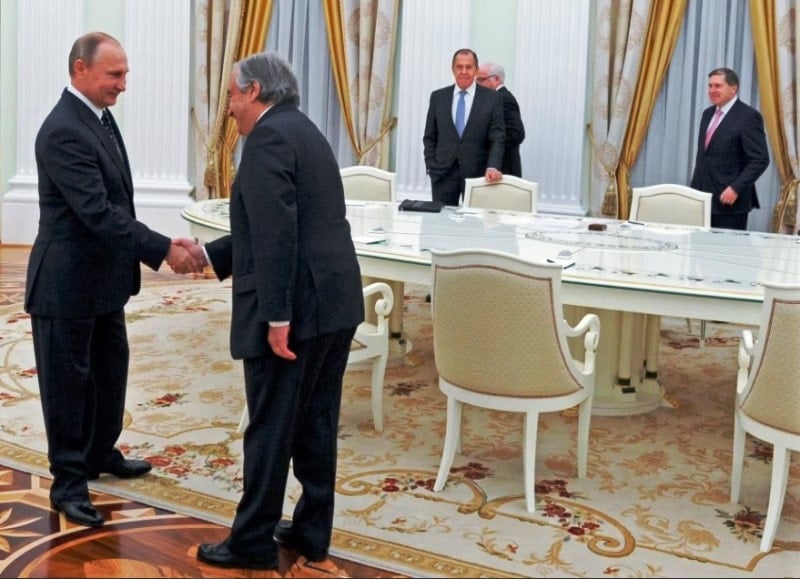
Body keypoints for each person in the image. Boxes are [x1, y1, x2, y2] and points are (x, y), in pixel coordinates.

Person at [178, 51, 364, 578]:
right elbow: (272, 225)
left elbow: (278, 236)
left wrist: (277, 317)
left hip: (296, 310)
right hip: (334, 303)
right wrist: (208, 255)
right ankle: (310, 532)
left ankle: (252, 541)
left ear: (254, 91)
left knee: (271, 427)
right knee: (315, 422)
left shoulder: (265, 140)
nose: (229, 107)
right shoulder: (304, 130)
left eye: (232, 96)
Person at [25, 31, 200, 528]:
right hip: (65, 285)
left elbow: (116, 203)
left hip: (103, 280)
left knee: (109, 374)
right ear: (80, 69)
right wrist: (163, 248)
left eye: (125, 74)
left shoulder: (97, 117)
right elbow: (99, 212)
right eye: (114, 74)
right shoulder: (63, 129)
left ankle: (100, 452)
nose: (123, 84)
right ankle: (68, 483)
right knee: (67, 387)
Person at [423, 48, 506, 206]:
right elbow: (430, 136)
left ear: (476, 70)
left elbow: (498, 138)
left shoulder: (492, 99)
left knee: (476, 220)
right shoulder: (438, 97)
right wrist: (431, 165)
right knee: (442, 220)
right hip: (442, 173)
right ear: (452, 69)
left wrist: (493, 166)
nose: (464, 71)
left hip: (478, 175)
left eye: (469, 67)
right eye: (459, 67)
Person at [690, 67, 769, 230]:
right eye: (710, 86)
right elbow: (705, 156)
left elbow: (760, 160)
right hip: (702, 200)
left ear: (733, 88)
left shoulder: (749, 117)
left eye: (718, 86)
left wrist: (735, 188)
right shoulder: (707, 114)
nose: (712, 90)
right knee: (698, 245)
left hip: (730, 203)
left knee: (726, 247)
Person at [476, 61, 526, 177]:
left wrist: (490, 148)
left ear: (497, 79)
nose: (477, 84)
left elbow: (516, 134)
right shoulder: (494, 98)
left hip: (503, 168)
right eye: (476, 80)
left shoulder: (503, 99)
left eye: (481, 80)